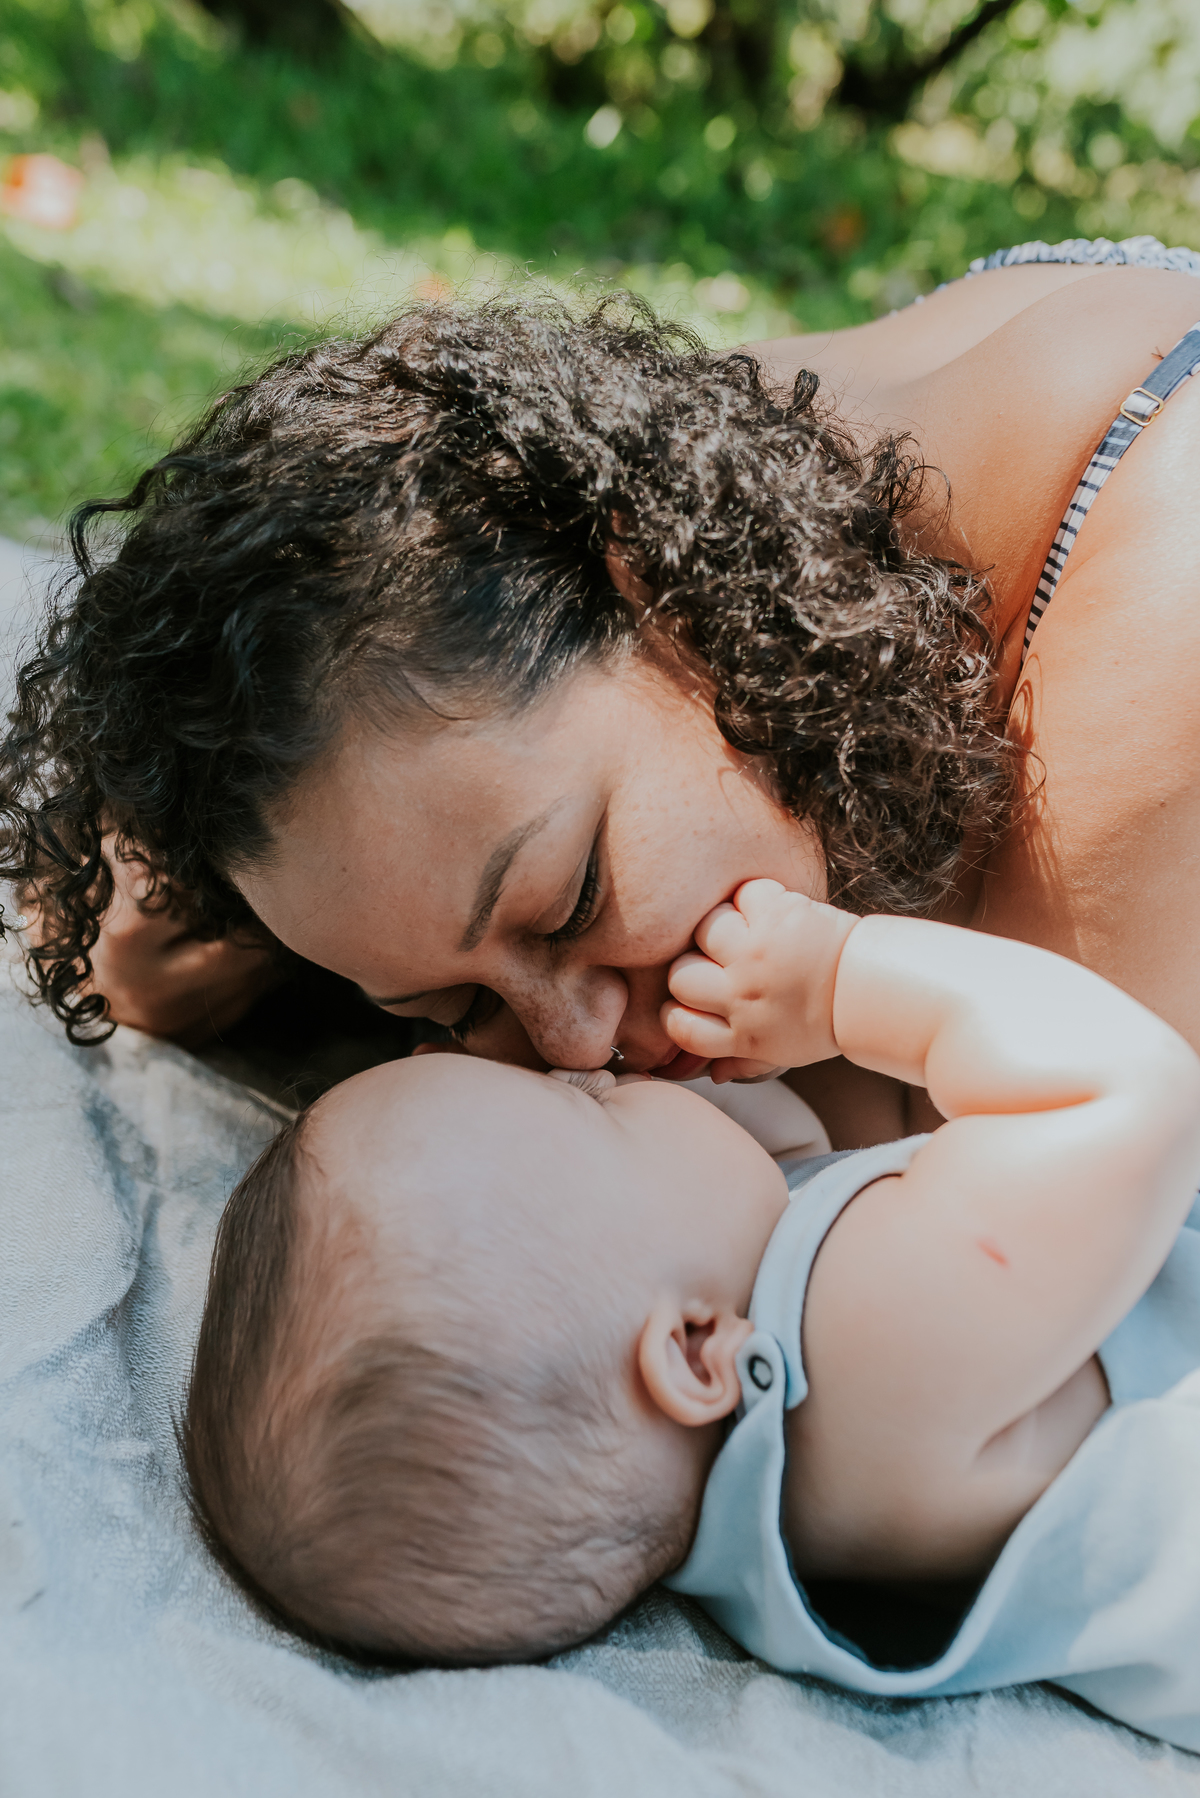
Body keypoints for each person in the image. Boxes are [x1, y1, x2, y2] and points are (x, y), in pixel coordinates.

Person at [5, 237, 1200, 1145]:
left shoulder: (1161, 588)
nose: (574, 1050)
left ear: (661, 592)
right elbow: (126, 965)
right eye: (438, 1009)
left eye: (573, 899)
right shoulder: (689, 488)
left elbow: (970, 1267)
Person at [181, 880, 1200, 1750]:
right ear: (692, 1349)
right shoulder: (855, 1356)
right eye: (587, 1110)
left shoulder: (749, 1480)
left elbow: (789, 1168)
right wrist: (843, 981)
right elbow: (1129, 1093)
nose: (579, 1061)